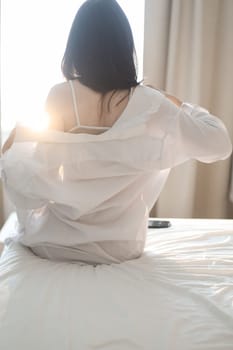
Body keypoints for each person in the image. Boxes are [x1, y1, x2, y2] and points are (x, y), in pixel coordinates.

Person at [1, 0, 232, 265]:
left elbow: (43, 173)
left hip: (57, 244)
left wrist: (21, 145)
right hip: (120, 249)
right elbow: (219, 144)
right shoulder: (150, 102)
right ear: (126, 46)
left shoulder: (61, 96)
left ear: (77, 46)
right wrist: (176, 103)